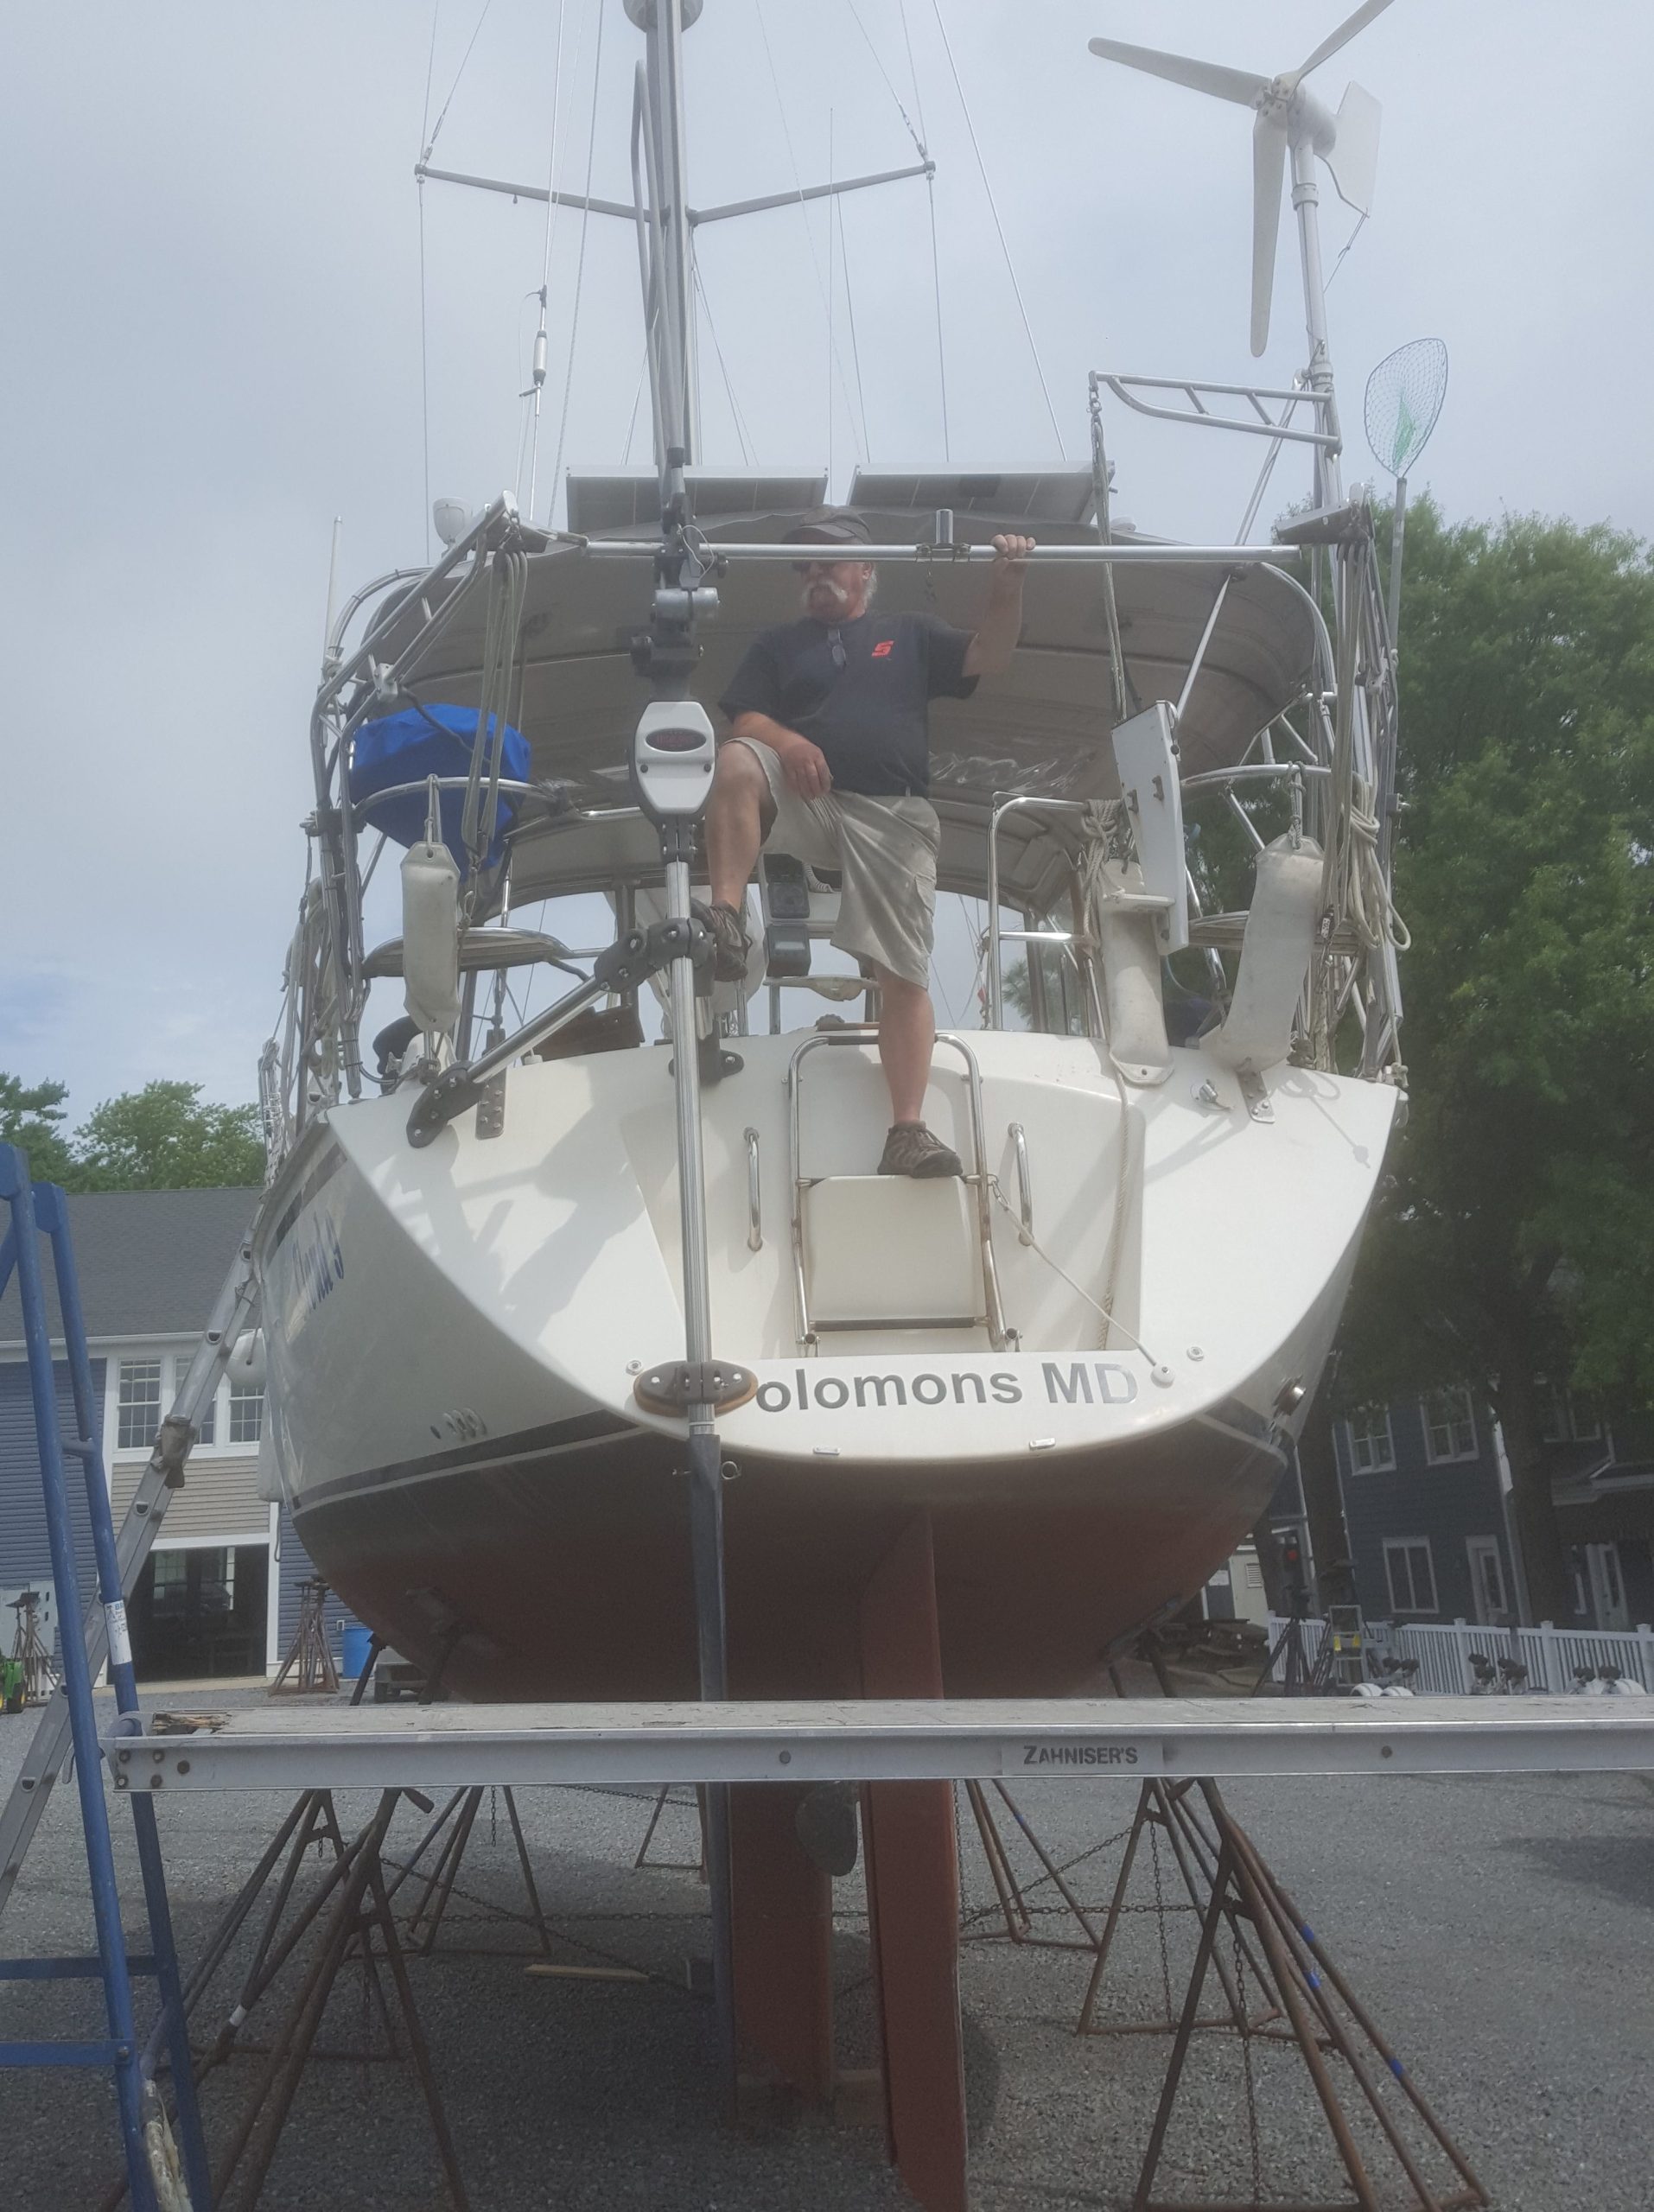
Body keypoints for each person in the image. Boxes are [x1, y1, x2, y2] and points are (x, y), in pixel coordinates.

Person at [706, 509, 1034, 1177]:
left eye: (828, 561)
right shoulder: (777, 645)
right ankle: (726, 921)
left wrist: (1008, 583)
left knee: (904, 972)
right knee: (736, 759)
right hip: (812, 801)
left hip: (893, 814)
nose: (814, 574)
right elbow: (745, 719)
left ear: (866, 569)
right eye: (804, 565)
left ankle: (906, 1132)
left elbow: (991, 655)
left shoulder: (909, 633)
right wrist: (789, 742)